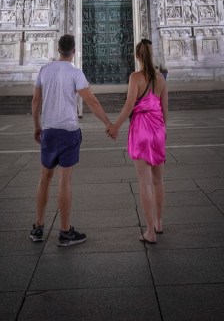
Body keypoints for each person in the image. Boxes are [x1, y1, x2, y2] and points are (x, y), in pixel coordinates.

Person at [31, 33, 112, 246]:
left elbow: (35, 101)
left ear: (58, 49)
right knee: (64, 181)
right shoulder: (76, 73)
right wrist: (107, 123)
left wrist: (37, 126)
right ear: (74, 51)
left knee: (44, 178)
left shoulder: (45, 70)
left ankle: (38, 227)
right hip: (68, 130)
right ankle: (65, 232)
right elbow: (91, 102)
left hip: (48, 130)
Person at [107, 38, 168, 243]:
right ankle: (159, 223)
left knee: (144, 181)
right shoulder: (161, 79)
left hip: (140, 128)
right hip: (157, 128)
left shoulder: (135, 77)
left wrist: (115, 126)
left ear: (137, 56)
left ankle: (150, 231)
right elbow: (165, 111)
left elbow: (128, 107)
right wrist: (161, 131)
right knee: (158, 179)